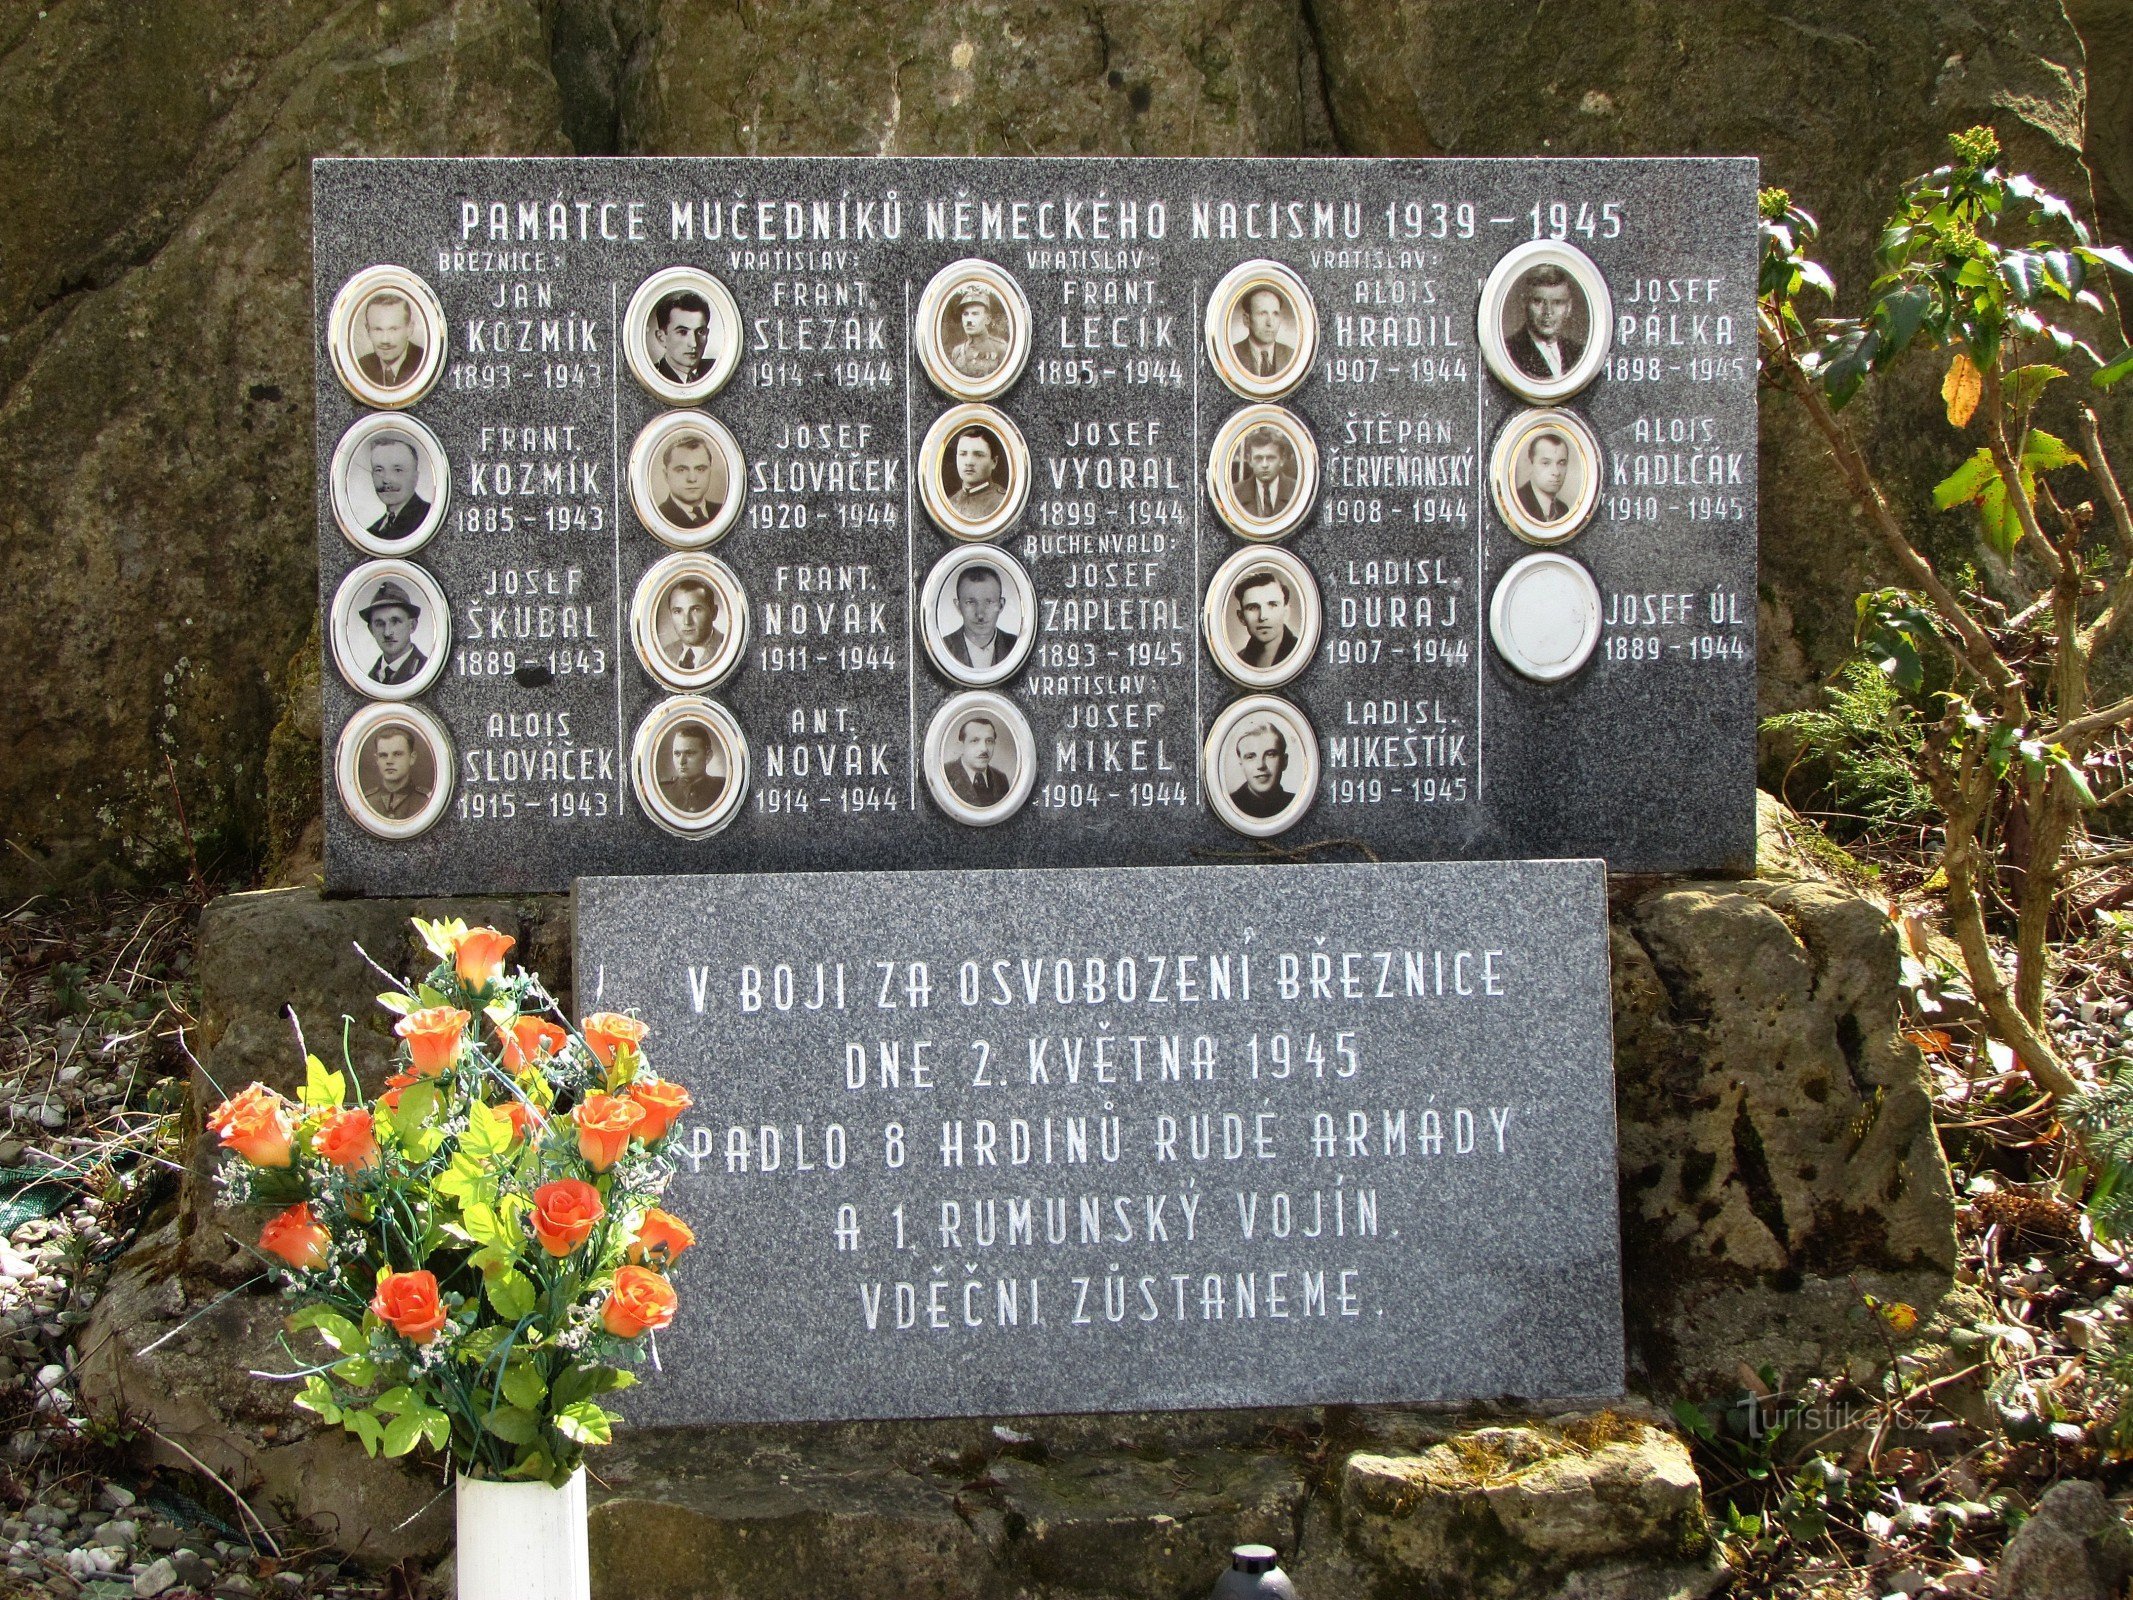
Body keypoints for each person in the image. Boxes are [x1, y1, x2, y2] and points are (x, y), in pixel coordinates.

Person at [1506, 264, 1584, 381]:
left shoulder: (1579, 354)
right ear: (1524, 303)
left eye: (1557, 302)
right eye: (1538, 301)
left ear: (1569, 308)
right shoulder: (1509, 352)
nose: (1548, 312)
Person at [939, 564, 1017, 671]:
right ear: (958, 606)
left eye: (989, 602)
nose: (980, 615)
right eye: (970, 602)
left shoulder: (1016, 646)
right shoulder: (942, 647)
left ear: (1001, 605)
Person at [363, 433, 431, 544]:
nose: (386, 480)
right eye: (379, 470)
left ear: (415, 477)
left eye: (397, 470)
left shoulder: (426, 517)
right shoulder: (372, 532)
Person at [359, 579, 427, 686]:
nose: (387, 633)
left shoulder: (425, 669)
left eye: (395, 621)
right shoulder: (370, 678)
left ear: (412, 626)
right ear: (371, 630)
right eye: (380, 624)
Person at [1228, 717, 1294, 820]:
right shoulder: (1230, 804)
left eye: (1270, 754)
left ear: (1284, 761)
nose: (1260, 765)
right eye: (1250, 757)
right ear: (1242, 765)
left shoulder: (1294, 803)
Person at [356, 292, 425, 389]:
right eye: (378, 329)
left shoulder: (423, 362)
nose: (385, 340)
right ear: (368, 330)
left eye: (393, 329)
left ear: (410, 329)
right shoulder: (361, 367)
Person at [361, 725, 431, 820]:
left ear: (412, 758)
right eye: (383, 755)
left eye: (397, 754)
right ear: (377, 759)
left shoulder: (427, 802)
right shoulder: (365, 802)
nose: (389, 761)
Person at [1233, 571, 1299, 669]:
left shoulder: (1300, 652)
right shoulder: (1237, 662)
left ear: (1286, 612)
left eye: (1272, 605)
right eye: (1253, 607)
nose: (1263, 616)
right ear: (1241, 617)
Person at [656, 432, 722, 530]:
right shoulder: (659, 517)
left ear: (709, 472)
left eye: (700, 469)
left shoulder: (721, 511)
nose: (692, 479)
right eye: (681, 470)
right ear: (666, 475)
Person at [649, 289, 713, 386]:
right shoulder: (652, 376)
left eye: (700, 332)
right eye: (683, 332)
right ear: (661, 338)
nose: (693, 343)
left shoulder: (717, 369)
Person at [947, 284, 1010, 381]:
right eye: (965, 314)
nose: (969, 320)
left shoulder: (1001, 348)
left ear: (988, 319)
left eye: (975, 314)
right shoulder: (957, 351)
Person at [944, 715, 1010, 807]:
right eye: (975, 741)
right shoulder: (945, 775)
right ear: (961, 746)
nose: (984, 749)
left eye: (989, 741)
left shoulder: (1001, 779)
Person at [1232, 286, 1295, 379]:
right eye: (1262, 314)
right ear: (1247, 319)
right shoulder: (1233, 354)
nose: (1270, 323)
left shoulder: (1291, 355)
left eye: (1275, 314)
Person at [659, 723, 724, 813]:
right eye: (677, 754)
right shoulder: (662, 791)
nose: (682, 761)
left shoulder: (723, 789)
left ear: (708, 756)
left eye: (690, 753)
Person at [945, 427, 1007, 522]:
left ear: (994, 462)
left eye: (978, 455)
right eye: (963, 454)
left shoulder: (1004, 503)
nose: (969, 462)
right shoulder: (949, 503)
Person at [662, 576, 723, 672]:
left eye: (695, 610)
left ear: (713, 612)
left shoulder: (726, 649)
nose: (687, 621)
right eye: (678, 611)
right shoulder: (666, 653)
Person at [1235, 427, 1296, 520]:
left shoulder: (1296, 490)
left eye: (1271, 458)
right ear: (1249, 460)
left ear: (1282, 460)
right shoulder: (1236, 493)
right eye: (1258, 458)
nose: (1264, 465)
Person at [1516, 431, 1575, 524]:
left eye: (1561, 463)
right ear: (1531, 463)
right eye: (1546, 463)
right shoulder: (1517, 503)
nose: (1556, 472)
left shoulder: (1563, 510)